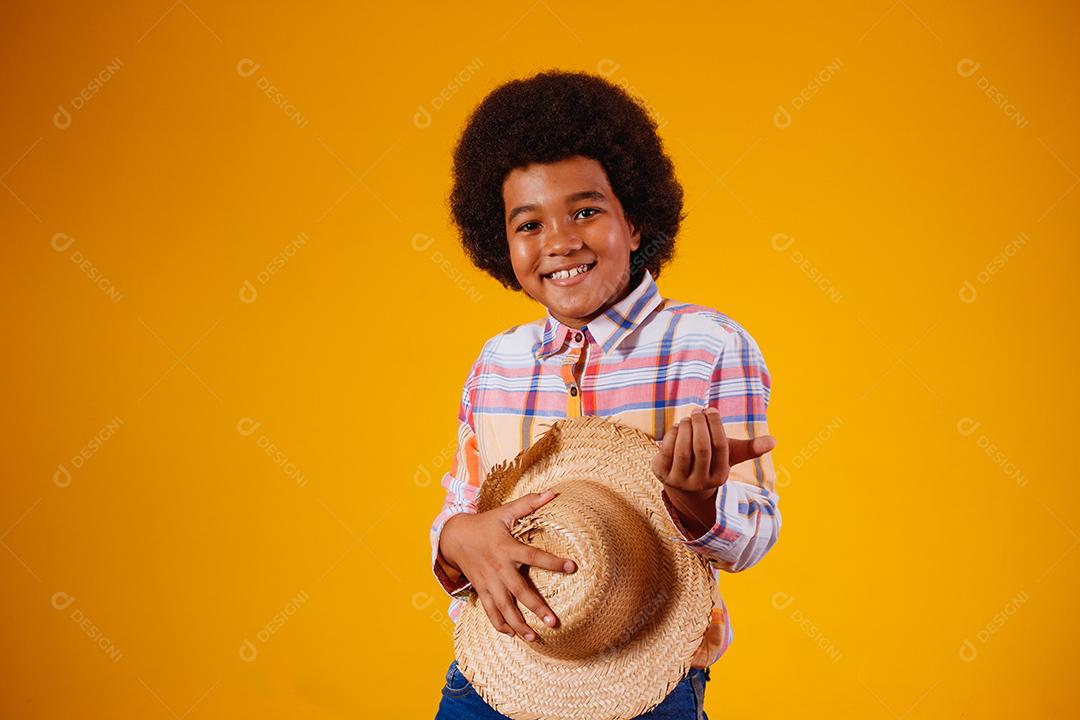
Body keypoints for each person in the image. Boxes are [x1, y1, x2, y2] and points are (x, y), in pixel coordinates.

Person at [430, 69, 780, 719]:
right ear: (501, 243)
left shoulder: (709, 345)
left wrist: (698, 504)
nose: (560, 241)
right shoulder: (498, 362)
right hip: (495, 678)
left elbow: (756, 528)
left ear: (637, 218)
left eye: (585, 211)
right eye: (528, 223)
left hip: (651, 681)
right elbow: (459, 505)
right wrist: (457, 538)